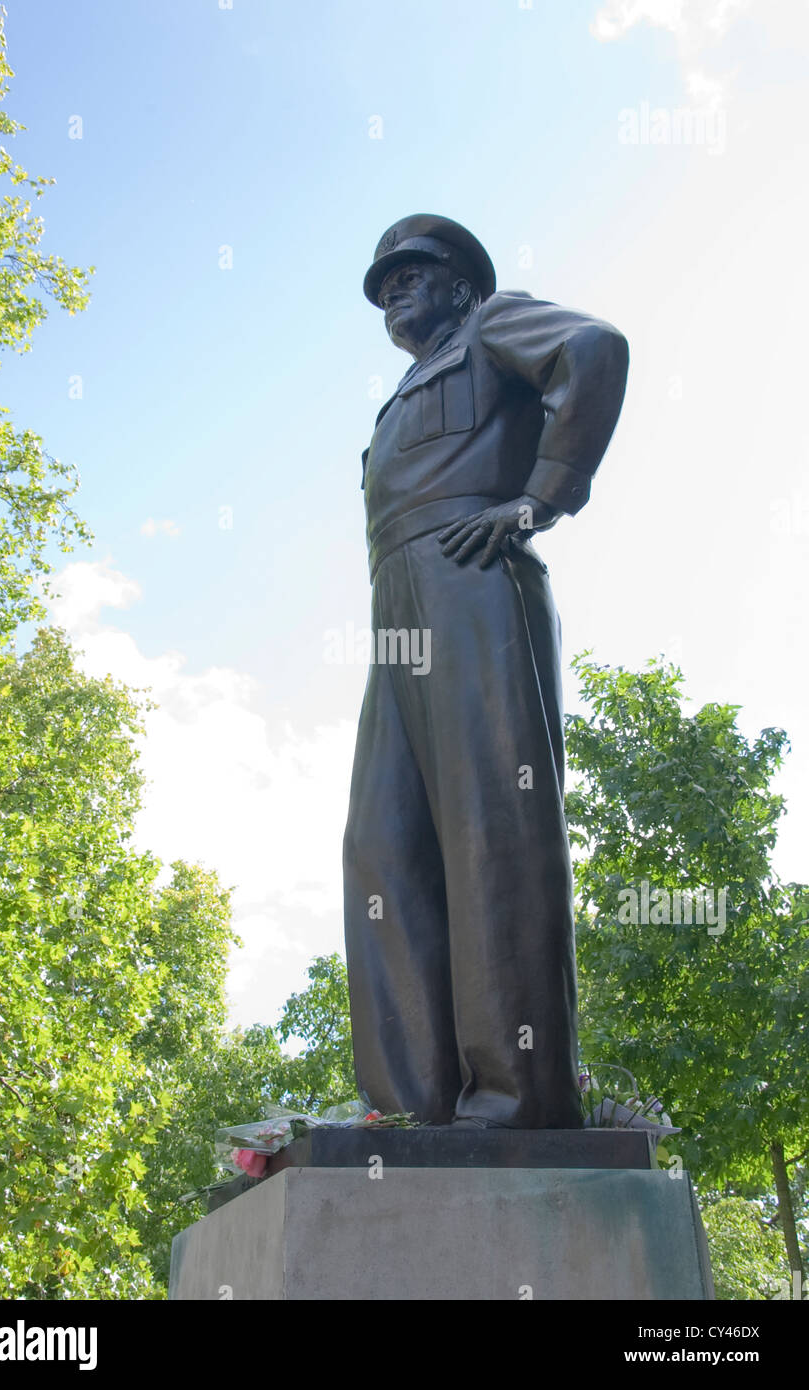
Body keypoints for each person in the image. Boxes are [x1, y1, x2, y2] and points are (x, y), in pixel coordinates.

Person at [343, 214, 628, 1129]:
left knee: (487, 822)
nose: (393, 290)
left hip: (472, 582)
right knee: (384, 841)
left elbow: (594, 347)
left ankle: (517, 1098)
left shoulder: (494, 323)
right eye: (383, 282)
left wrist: (540, 497)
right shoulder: (398, 394)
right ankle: (410, 1105)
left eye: (411, 274)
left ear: (462, 284)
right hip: (396, 601)